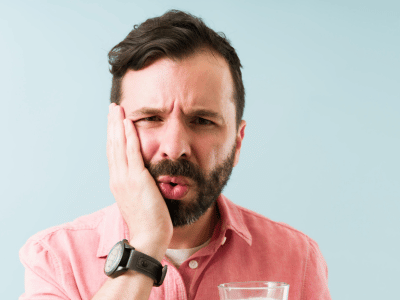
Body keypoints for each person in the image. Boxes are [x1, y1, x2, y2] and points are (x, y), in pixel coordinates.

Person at [19, 10, 331, 300]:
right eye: (151, 118)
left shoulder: (297, 258)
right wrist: (146, 242)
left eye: (203, 121)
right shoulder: (55, 258)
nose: (175, 147)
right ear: (116, 134)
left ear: (237, 143)